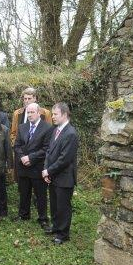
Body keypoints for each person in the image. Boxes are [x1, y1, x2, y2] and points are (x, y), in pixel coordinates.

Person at [42, 102, 78, 245]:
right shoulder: (56, 130)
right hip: (53, 175)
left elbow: (64, 159)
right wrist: (46, 170)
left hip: (64, 177)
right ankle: (56, 227)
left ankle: (63, 234)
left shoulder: (71, 133)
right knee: (55, 204)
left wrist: (48, 171)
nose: (53, 117)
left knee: (63, 206)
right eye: (52, 114)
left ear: (64, 114)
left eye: (55, 114)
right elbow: (49, 152)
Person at [13, 102, 53, 228]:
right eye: (27, 112)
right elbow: (17, 145)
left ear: (39, 113)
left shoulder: (47, 128)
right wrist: (22, 158)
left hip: (37, 167)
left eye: (32, 112)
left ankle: (43, 218)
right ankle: (23, 214)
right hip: (23, 166)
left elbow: (46, 149)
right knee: (24, 192)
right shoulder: (22, 127)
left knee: (40, 194)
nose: (29, 114)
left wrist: (31, 157)